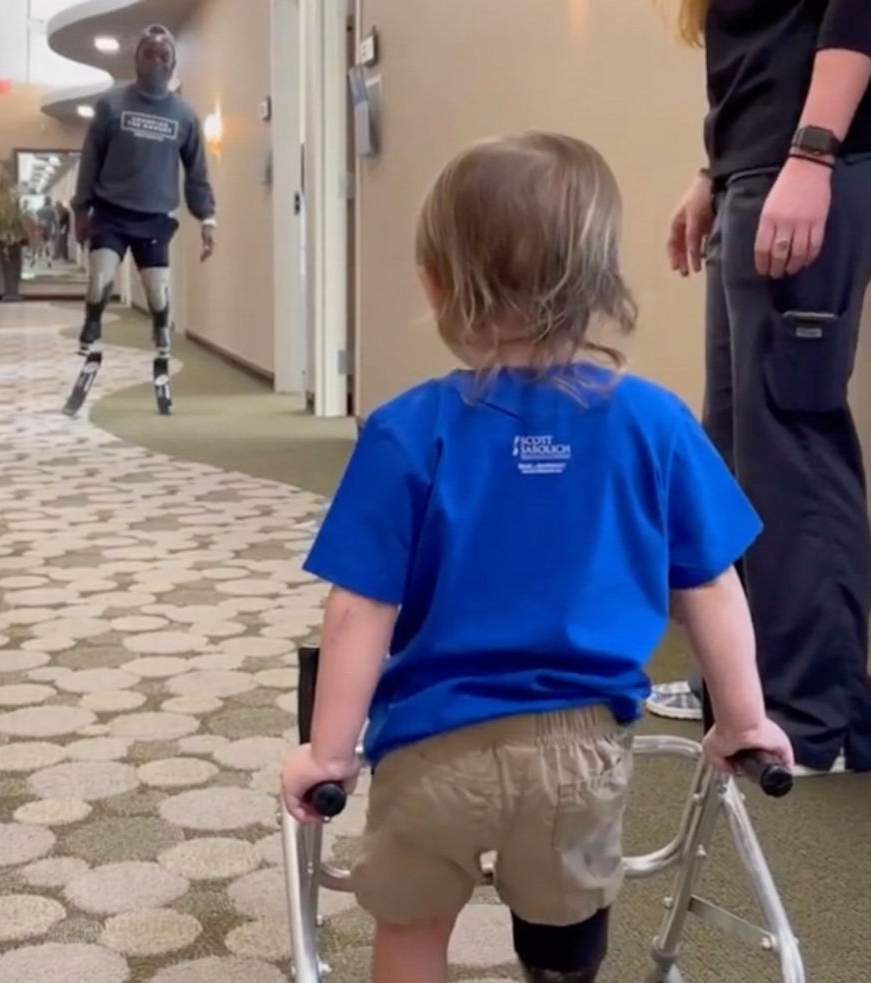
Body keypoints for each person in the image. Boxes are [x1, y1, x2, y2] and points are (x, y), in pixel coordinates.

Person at [281, 133, 793, 983]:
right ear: (599, 280)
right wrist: (741, 718)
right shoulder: (655, 422)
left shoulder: (406, 429)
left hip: (426, 744)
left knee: (409, 926)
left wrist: (328, 753)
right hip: (579, 748)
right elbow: (710, 583)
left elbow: (356, 611)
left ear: (436, 282)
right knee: (565, 935)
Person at [650, 0, 871, 776]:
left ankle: (821, 719)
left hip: (809, 165)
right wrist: (714, 168)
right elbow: (765, 52)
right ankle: (746, 686)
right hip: (755, 171)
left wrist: (811, 155)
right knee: (736, 444)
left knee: (794, 442)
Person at [71, 23, 216, 371]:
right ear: (137, 60)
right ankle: (92, 324)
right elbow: (90, 160)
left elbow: (197, 173)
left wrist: (207, 218)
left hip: (154, 217)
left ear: (172, 64)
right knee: (101, 276)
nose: (156, 60)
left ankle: (160, 327)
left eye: (163, 55)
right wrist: (81, 210)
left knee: (156, 291)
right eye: (149, 53)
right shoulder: (111, 106)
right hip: (110, 212)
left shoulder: (184, 116)